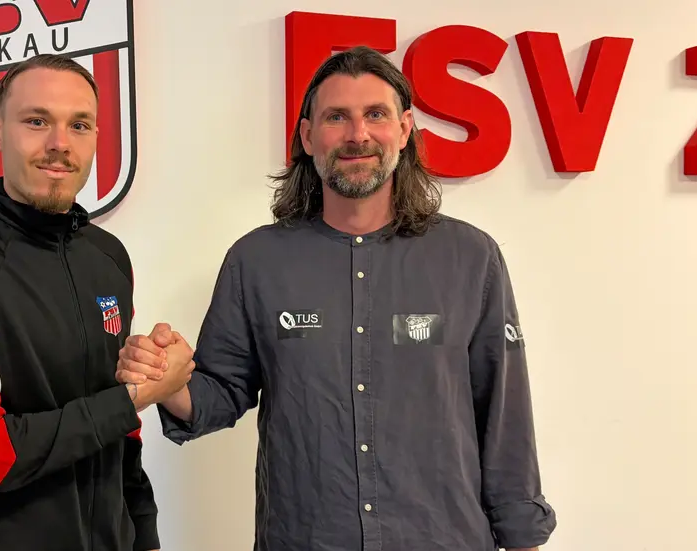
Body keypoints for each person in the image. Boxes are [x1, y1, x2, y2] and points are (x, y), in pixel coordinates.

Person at [116, 46, 557, 551]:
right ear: (307, 136)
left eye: (376, 114)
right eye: (336, 117)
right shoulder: (256, 260)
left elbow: (504, 413)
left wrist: (523, 537)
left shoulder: (470, 257)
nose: (357, 135)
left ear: (406, 128)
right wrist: (166, 379)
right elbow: (222, 392)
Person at [0, 54, 193, 551]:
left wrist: (145, 536)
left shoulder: (109, 257)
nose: (59, 144)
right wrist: (134, 397)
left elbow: (123, 440)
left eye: (79, 124)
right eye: (37, 121)